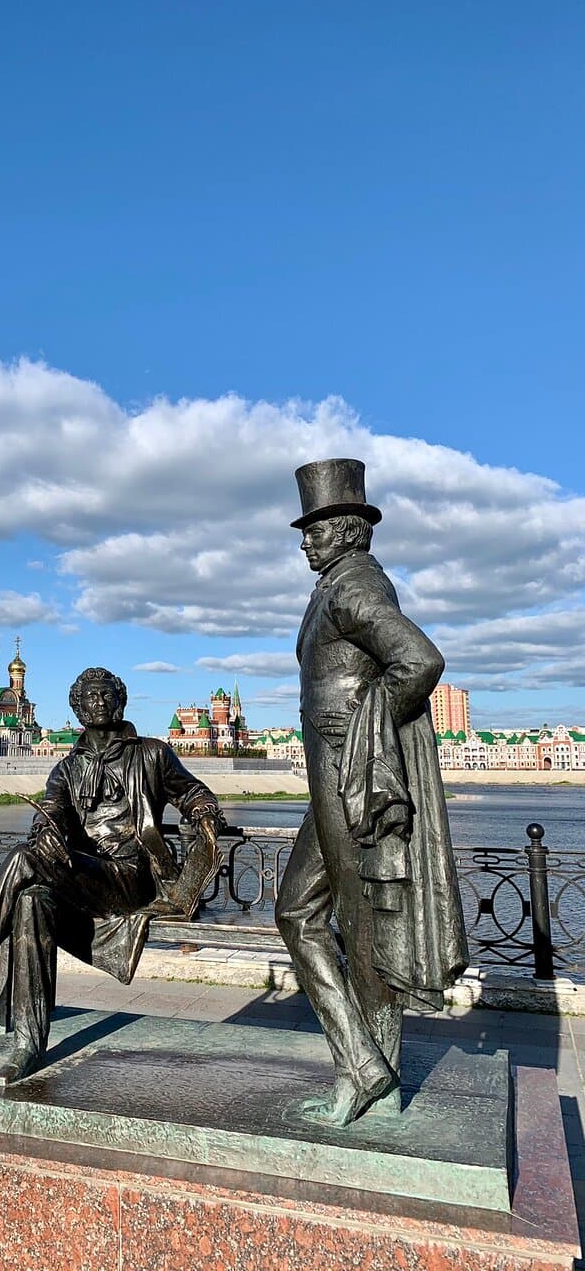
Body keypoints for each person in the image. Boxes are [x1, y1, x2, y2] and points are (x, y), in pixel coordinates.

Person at [0, 666, 224, 1087]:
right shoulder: (65, 770)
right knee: (31, 901)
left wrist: (204, 812)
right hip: (81, 878)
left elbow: (192, 791)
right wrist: (47, 834)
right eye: (90, 696)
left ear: (120, 702)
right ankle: (28, 1046)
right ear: (78, 708)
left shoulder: (152, 754)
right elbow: (51, 814)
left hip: (131, 879)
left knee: (21, 860)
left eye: (107, 694)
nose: (99, 702)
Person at [275, 459, 467, 1127]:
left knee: (362, 927)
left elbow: (421, 660)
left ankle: (370, 1077)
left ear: (350, 530)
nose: (306, 541)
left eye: (317, 529)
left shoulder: (353, 586)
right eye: (305, 531)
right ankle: (366, 1064)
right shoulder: (333, 586)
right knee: (297, 912)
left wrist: (363, 727)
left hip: (350, 778)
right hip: (332, 778)